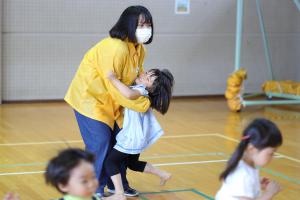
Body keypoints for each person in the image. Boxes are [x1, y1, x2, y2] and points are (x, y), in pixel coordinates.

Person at [64, 5, 154, 197]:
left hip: (113, 102)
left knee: (121, 142)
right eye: (141, 24)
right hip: (90, 100)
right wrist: (143, 104)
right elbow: (115, 87)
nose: (146, 28)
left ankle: (117, 185)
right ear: (128, 24)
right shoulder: (116, 48)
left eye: (148, 24)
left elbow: (131, 81)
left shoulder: (139, 50)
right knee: (100, 142)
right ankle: (93, 189)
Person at [104, 68, 174, 200]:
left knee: (110, 162)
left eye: (147, 78)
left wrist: (113, 79)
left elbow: (129, 94)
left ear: (150, 88)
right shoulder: (144, 93)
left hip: (131, 138)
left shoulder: (141, 91)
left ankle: (119, 194)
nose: (143, 76)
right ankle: (162, 174)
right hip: (138, 138)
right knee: (133, 164)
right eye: (147, 74)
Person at [215, 118, 283, 200]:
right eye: (271, 153)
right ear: (252, 149)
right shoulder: (244, 176)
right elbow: (243, 180)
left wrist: (256, 183)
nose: (273, 157)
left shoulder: (243, 164)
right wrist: (269, 193)